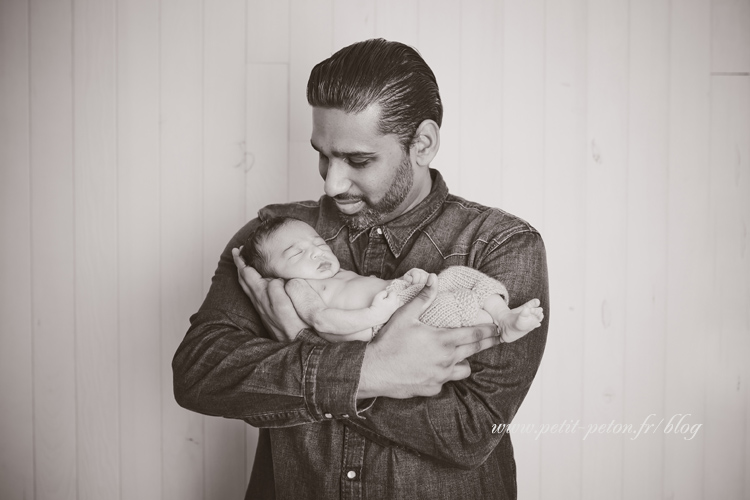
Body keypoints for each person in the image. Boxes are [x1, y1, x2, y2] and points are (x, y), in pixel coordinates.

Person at [173, 38, 549, 499]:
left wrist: (303, 342)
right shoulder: (275, 238)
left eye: (358, 160)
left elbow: (467, 434)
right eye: (323, 154)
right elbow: (199, 375)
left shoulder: (501, 245)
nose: (332, 182)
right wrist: (372, 371)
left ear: (423, 143)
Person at [238, 216, 544, 343]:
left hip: (402, 296)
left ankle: (504, 315)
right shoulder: (297, 287)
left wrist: (411, 279)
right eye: (297, 254)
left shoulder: (338, 272)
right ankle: (500, 329)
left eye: (319, 243)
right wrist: (376, 313)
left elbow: (374, 285)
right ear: (273, 276)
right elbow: (322, 321)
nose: (317, 253)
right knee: (456, 308)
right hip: (387, 323)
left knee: (460, 276)